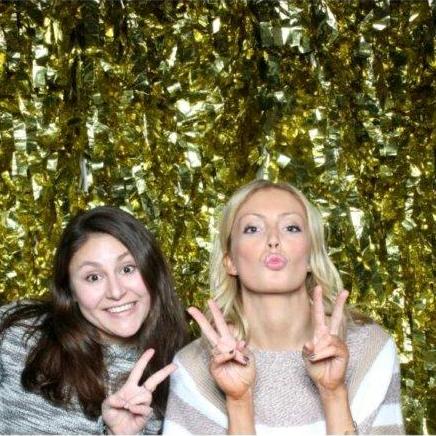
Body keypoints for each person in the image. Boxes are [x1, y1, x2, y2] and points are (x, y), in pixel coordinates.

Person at [163, 179, 404, 435]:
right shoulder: (194, 367)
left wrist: (333, 393)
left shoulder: (369, 349)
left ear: (311, 256)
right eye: (253, 229)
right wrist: (238, 401)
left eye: (291, 227)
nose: (273, 240)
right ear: (230, 261)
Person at [0, 206, 187, 434]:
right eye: (93, 277)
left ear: (152, 271)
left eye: (127, 269)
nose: (116, 292)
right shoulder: (17, 330)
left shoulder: (183, 370)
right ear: (70, 290)